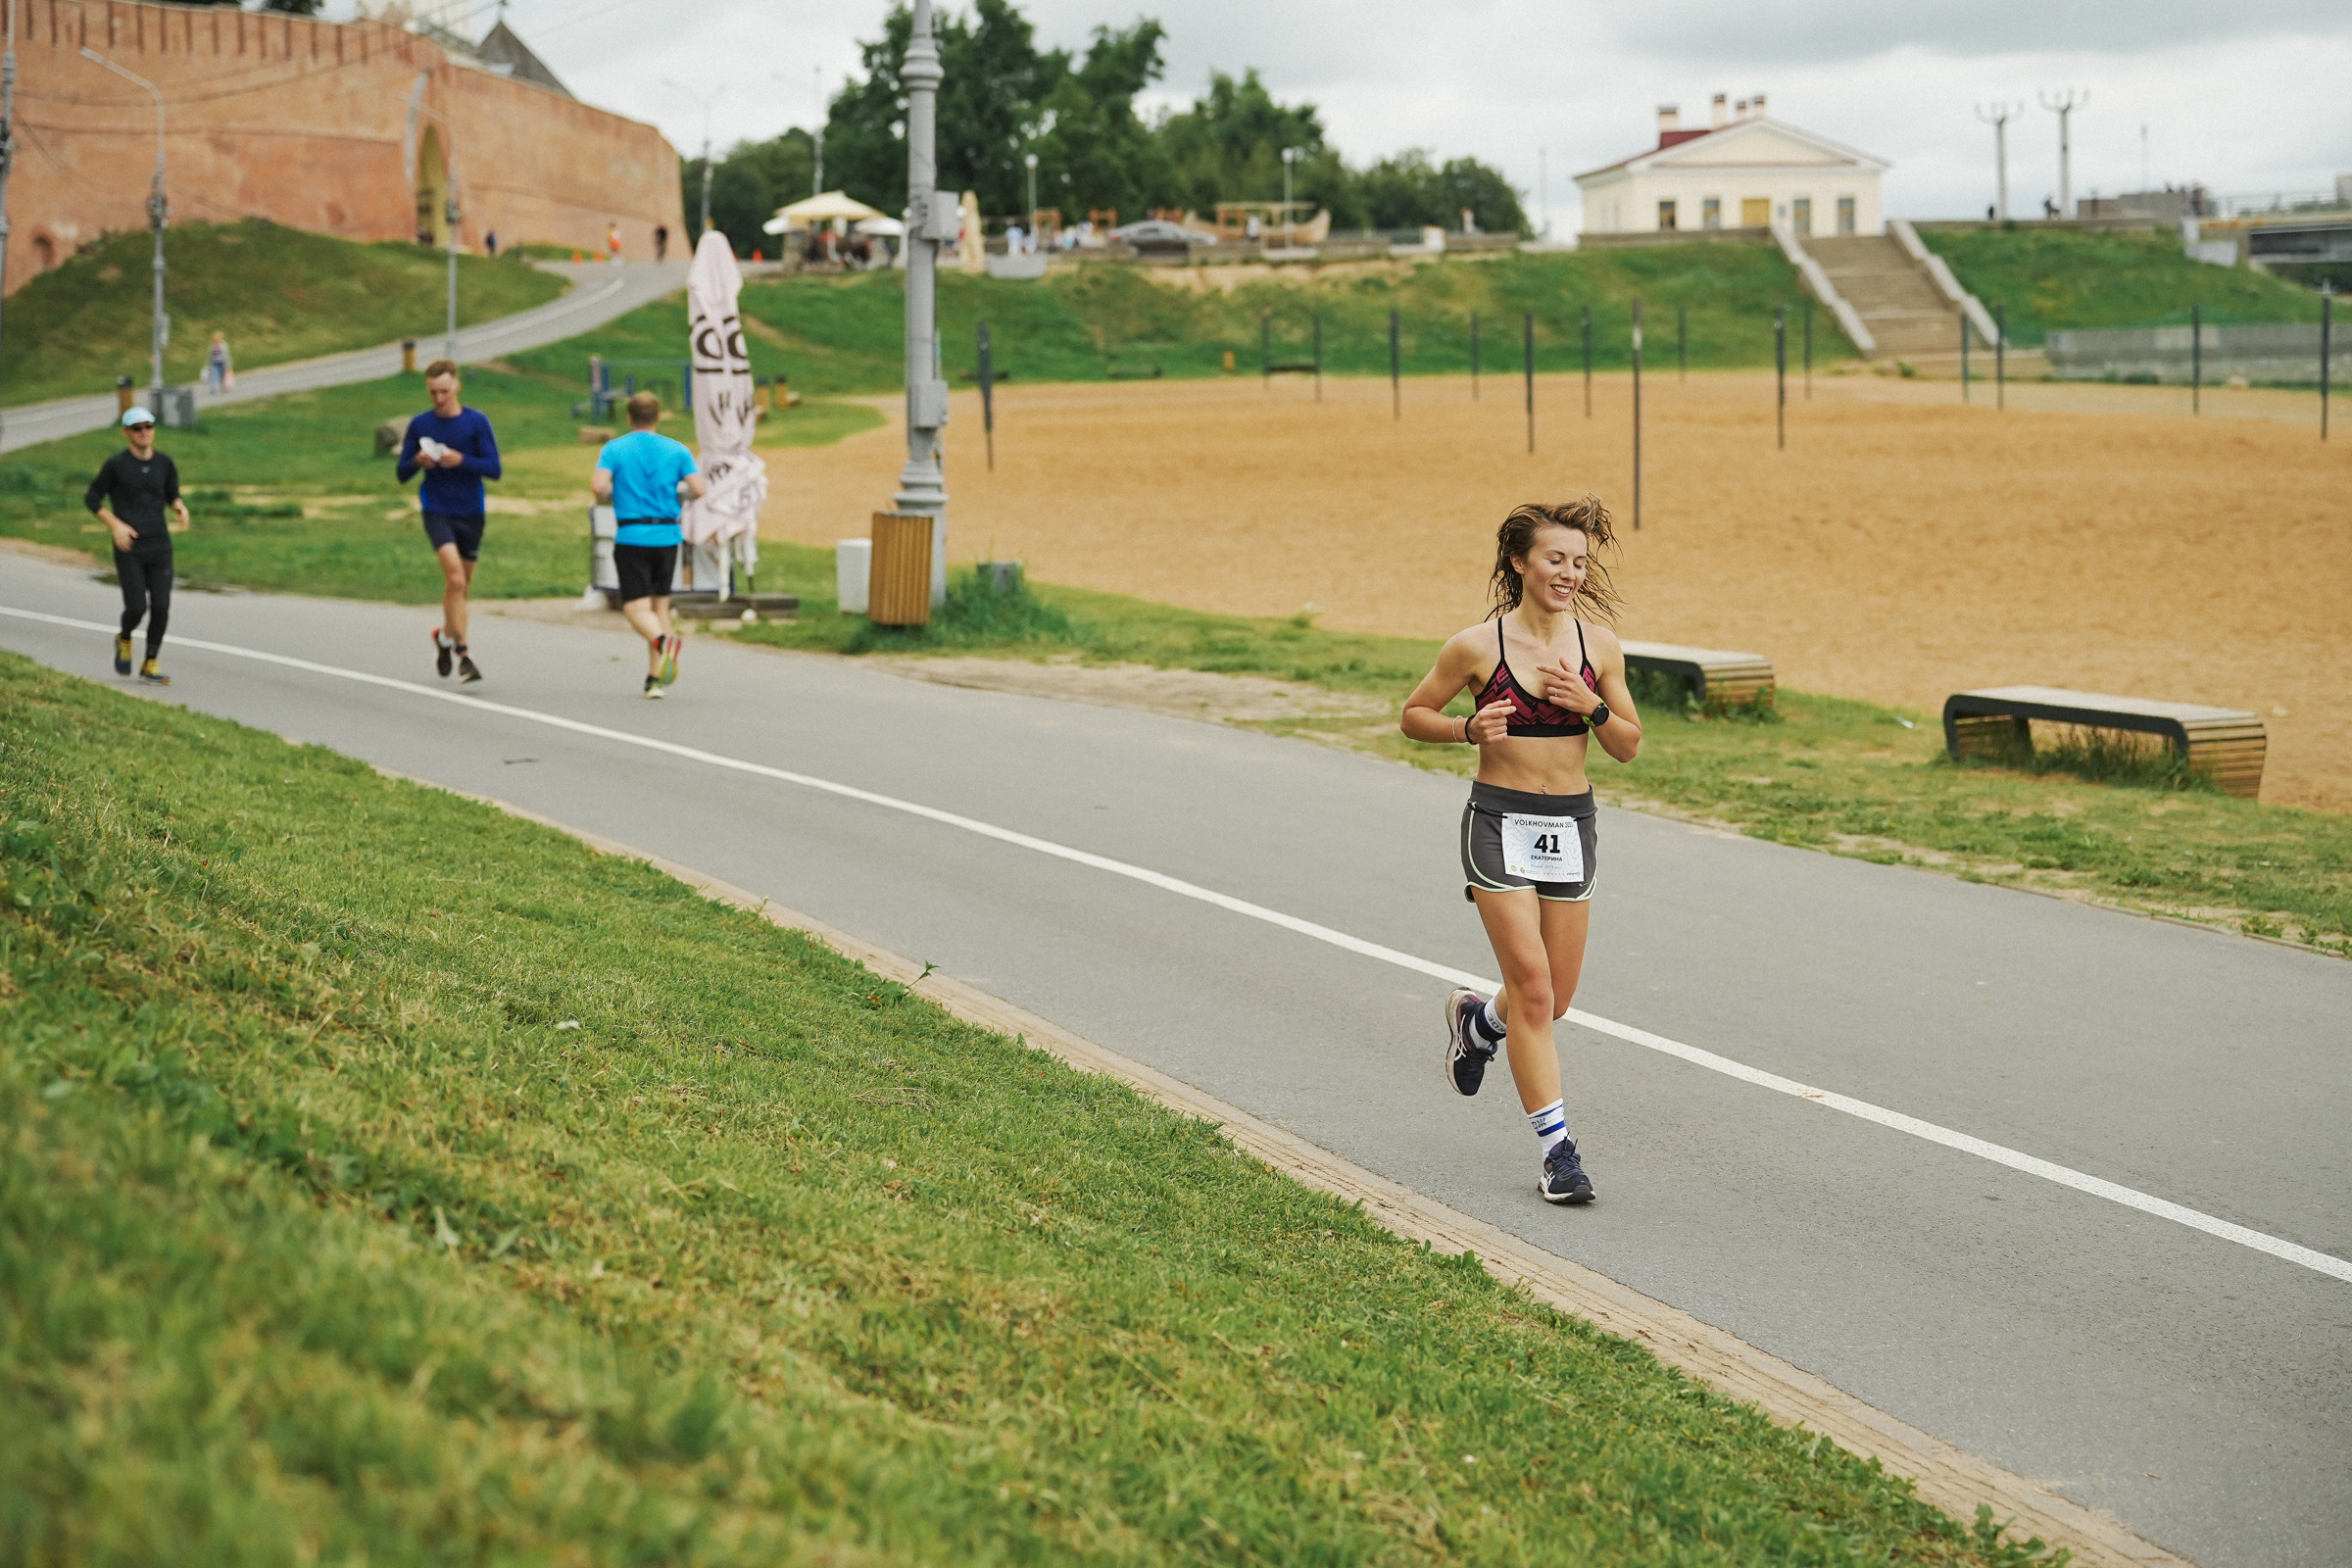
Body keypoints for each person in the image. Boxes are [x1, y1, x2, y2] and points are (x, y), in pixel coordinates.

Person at [1398, 499, 1643, 1206]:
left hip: (1571, 823)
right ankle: (1557, 1153)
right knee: (1533, 985)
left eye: (1577, 561)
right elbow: (1414, 715)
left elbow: (1628, 746)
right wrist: (1466, 731)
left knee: (1554, 1000)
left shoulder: (1599, 649)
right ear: (1519, 563)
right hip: (1499, 820)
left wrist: (1589, 708)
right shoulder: (1476, 647)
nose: (1568, 572)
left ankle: (1480, 1024)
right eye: (1554, 559)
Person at [591, 391, 707, 698]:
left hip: (632, 535)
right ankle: (655, 679)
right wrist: (677, 496)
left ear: (629, 417)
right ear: (657, 417)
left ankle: (662, 641)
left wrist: (616, 495)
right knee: (660, 606)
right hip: (668, 536)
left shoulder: (615, 448)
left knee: (635, 608)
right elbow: (699, 488)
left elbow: (599, 486)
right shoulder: (677, 450)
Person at [395, 359, 503, 682]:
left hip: (471, 511)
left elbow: (494, 469)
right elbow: (402, 473)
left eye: (443, 391)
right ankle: (464, 654)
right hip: (436, 508)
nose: (438, 398)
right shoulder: (420, 424)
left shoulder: (476, 423)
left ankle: (442, 638)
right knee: (455, 580)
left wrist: (462, 460)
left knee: (460, 589)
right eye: (432, 392)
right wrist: (417, 460)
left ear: (456, 387)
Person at [85, 406, 190, 686]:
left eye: (148, 426)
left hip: (160, 545)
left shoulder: (164, 463)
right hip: (129, 546)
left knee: (161, 605)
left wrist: (179, 507)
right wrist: (116, 525)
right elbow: (93, 498)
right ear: (126, 433)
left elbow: (172, 494)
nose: (144, 432)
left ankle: (150, 663)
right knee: (136, 607)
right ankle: (124, 637)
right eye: (137, 428)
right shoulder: (116, 465)